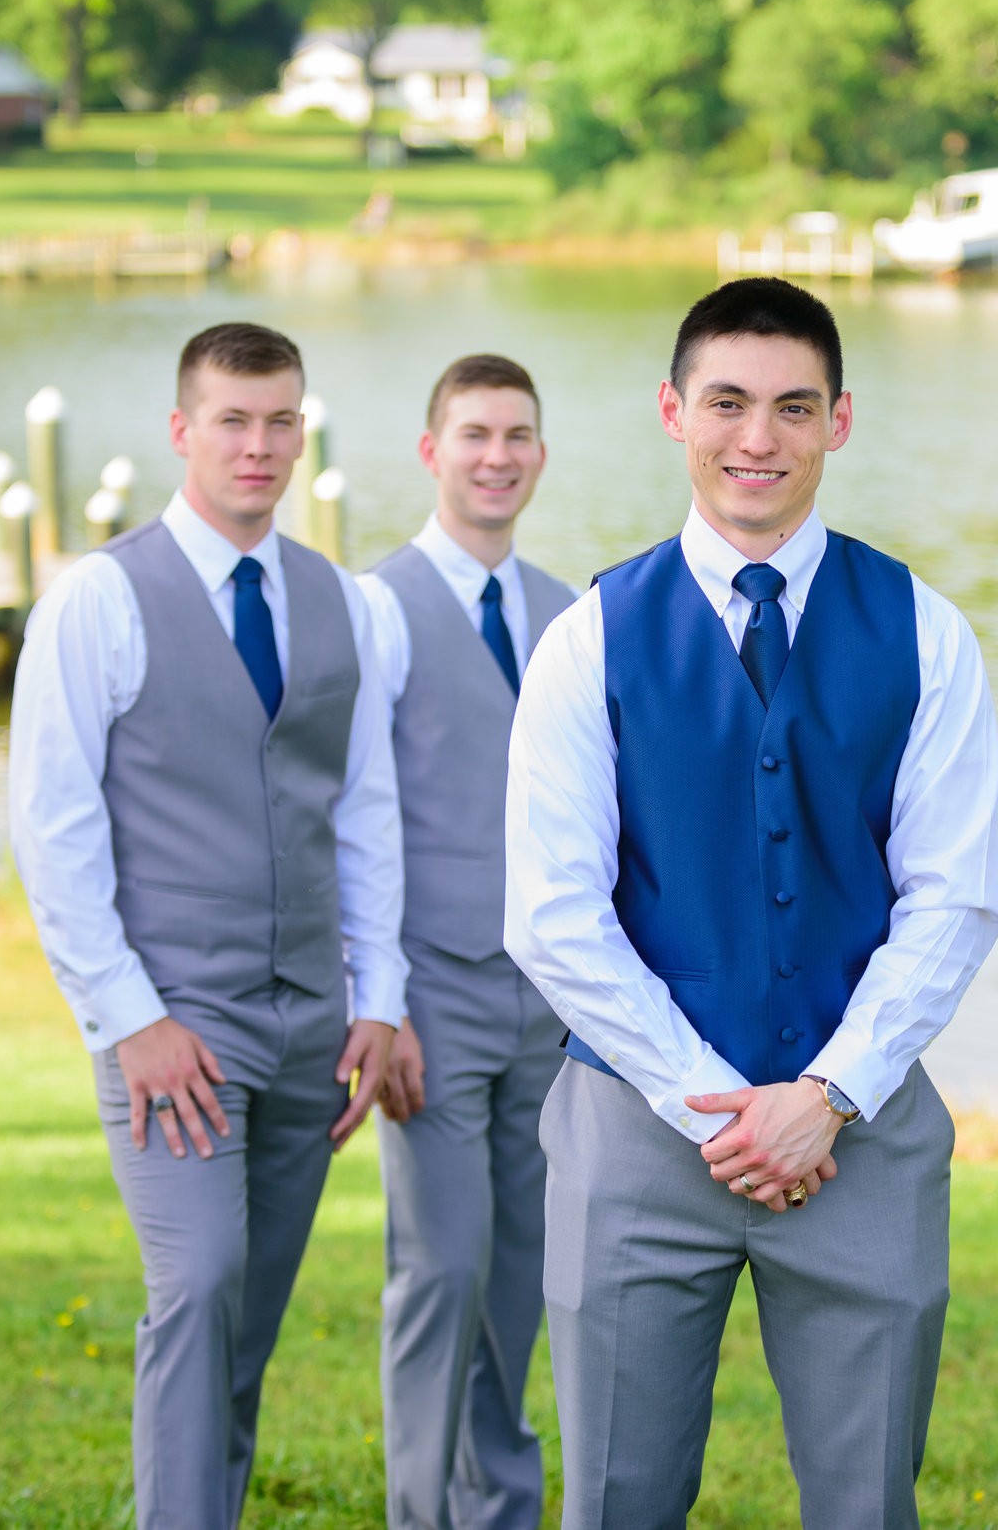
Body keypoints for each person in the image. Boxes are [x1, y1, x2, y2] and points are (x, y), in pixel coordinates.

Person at [505, 277, 998, 1530]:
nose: (756, 439)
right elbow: (551, 912)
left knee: (866, 1503)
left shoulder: (926, 631)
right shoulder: (588, 637)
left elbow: (951, 899)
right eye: (726, 403)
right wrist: (719, 1108)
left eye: (793, 407)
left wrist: (827, 1095)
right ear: (673, 411)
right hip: (633, 1134)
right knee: (617, 1499)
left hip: (864, 1140)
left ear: (839, 420)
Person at [7, 322, 415, 1529]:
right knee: (198, 1288)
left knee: (243, 1327)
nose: (259, 444)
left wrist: (379, 996)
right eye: (233, 420)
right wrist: (130, 1019)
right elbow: (52, 827)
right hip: (173, 1027)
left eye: (281, 419)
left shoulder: (347, 605)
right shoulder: (97, 599)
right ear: (182, 430)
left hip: (309, 1030)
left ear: (304, 430)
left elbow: (367, 815)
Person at [357, 354, 576, 1530]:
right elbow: (357, 817)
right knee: (438, 1271)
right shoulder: (375, 606)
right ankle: (415, 1512)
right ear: (431, 449)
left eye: (518, 436)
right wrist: (377, 1001)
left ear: (540, 454)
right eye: (475, 434)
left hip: (548, 1007)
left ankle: (500, 1505)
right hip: (430, 1001)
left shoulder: (569, 612)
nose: (497, 456)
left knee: (523, 1277)